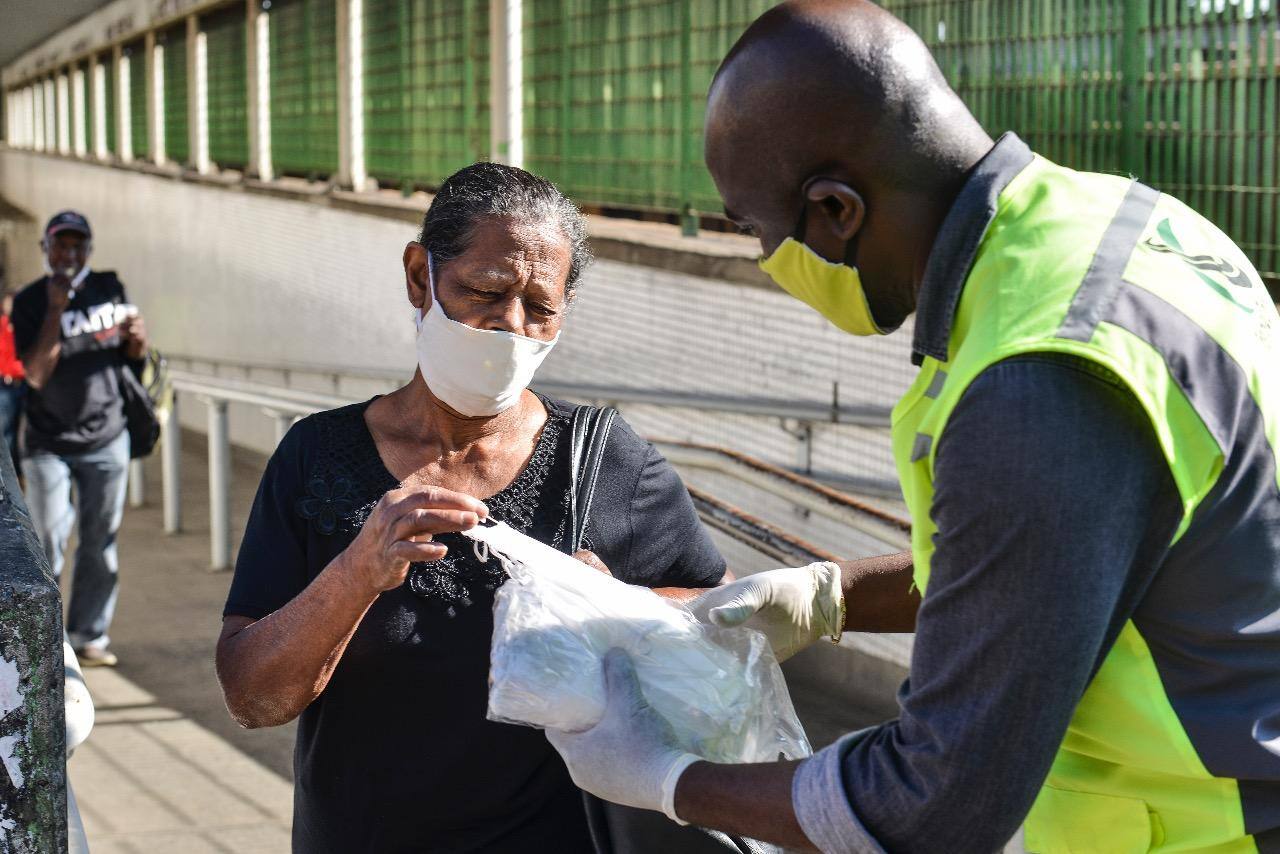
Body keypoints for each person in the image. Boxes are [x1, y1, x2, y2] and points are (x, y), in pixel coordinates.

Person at [544, 2, 1280, 852]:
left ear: (835, 211)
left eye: (756, 230)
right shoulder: (1127, 225)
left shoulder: (1039, 380)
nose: (763, 260)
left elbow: (932, 804)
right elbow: (1061, 562)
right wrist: (829, 598)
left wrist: (668, 779)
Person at [215, 163, 752, 853]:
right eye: (484, 291)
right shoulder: (317, 459)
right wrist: (356, 574)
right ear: (420, 277)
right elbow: (253, 697)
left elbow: (722, 615)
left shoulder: (603, 461)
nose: (511, 327)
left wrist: (623, 607)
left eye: (541, 307)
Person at [12, 211, 149, 668]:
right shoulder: (32, 300)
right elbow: (34, 373)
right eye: (61, 245)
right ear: (46, 249)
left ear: (88, 250)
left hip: (107, 436)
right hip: (48, 441)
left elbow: (128, 356)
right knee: (47, 539)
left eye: (78, 246)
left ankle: (89, 635)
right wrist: (56, 306)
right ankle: (44, 637)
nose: (69, 254)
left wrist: (138, 342)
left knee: (99, 540)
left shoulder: (109, 287)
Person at [0, 289, 25, 468]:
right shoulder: (1, 326)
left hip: (26, 385)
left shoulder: (27, 327)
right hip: (5, 386)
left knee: (25, 433)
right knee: (6, 432)